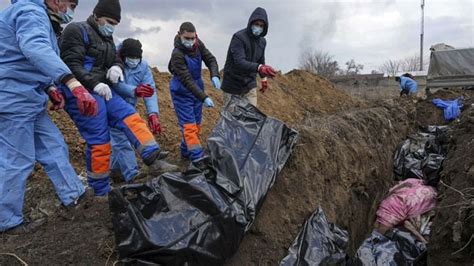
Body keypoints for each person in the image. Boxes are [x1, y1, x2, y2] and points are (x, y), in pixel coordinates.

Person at [59, 0, 178, 196]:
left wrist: (117, 67)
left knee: (130, 116)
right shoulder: (76, 30)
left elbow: (114, 58)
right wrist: (93, 84)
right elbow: (70, 64)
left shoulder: (108, 40)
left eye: (115, 24)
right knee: (100, 141)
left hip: (103, 90)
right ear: (97, 16)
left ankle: (153, 159)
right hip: (80, 91)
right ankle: (100, 190)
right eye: (109, 21)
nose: (111, 27)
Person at [0, 0, 98, 233]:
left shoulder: (39, 16)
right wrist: (70, 82)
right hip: (12, 98)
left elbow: (23, 61)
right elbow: (35, 49)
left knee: (54, 146)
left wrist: (50, 88)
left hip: (28, 98)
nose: (71, 10)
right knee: (17, 160)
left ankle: (75, 196)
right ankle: (7, 222)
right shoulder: (30, 12)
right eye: (70, 3)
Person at [168, 22, 220, 169]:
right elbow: (187, 80)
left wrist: (214, 74)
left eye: (193, 38)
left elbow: (211, 59)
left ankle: (185, 153)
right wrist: (204, 97)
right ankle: (198, 160)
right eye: (187, 38)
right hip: (182, 91)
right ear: (179, 35)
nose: (190, 42)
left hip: (197, 88)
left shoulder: (198, 44)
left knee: (196, 126)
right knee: (189, 127)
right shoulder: (177, 54)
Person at [111, 38, 160, 182]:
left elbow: (150, 90)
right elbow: (115, 85)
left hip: (129, 108)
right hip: (113, 106)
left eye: (137, 58)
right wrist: (134, 91)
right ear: (123, 55)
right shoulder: (114, 63)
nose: (134, 61)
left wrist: (153, 113)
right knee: (121, 141)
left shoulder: (143, 67)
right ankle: (132, 175)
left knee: (121, 140)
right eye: (131, 58)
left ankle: (115, 171)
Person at [221, 7, 277, 107]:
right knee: (231, 119)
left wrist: (263, 79)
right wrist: (259, 67)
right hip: (233, 85)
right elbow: (239, 62)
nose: (258, 27)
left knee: (251, 117)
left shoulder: (262, 42)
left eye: (261, 26)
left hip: (249, 84)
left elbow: (261, 60)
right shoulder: (239, 38)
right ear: (251, 23)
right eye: (256, 24)